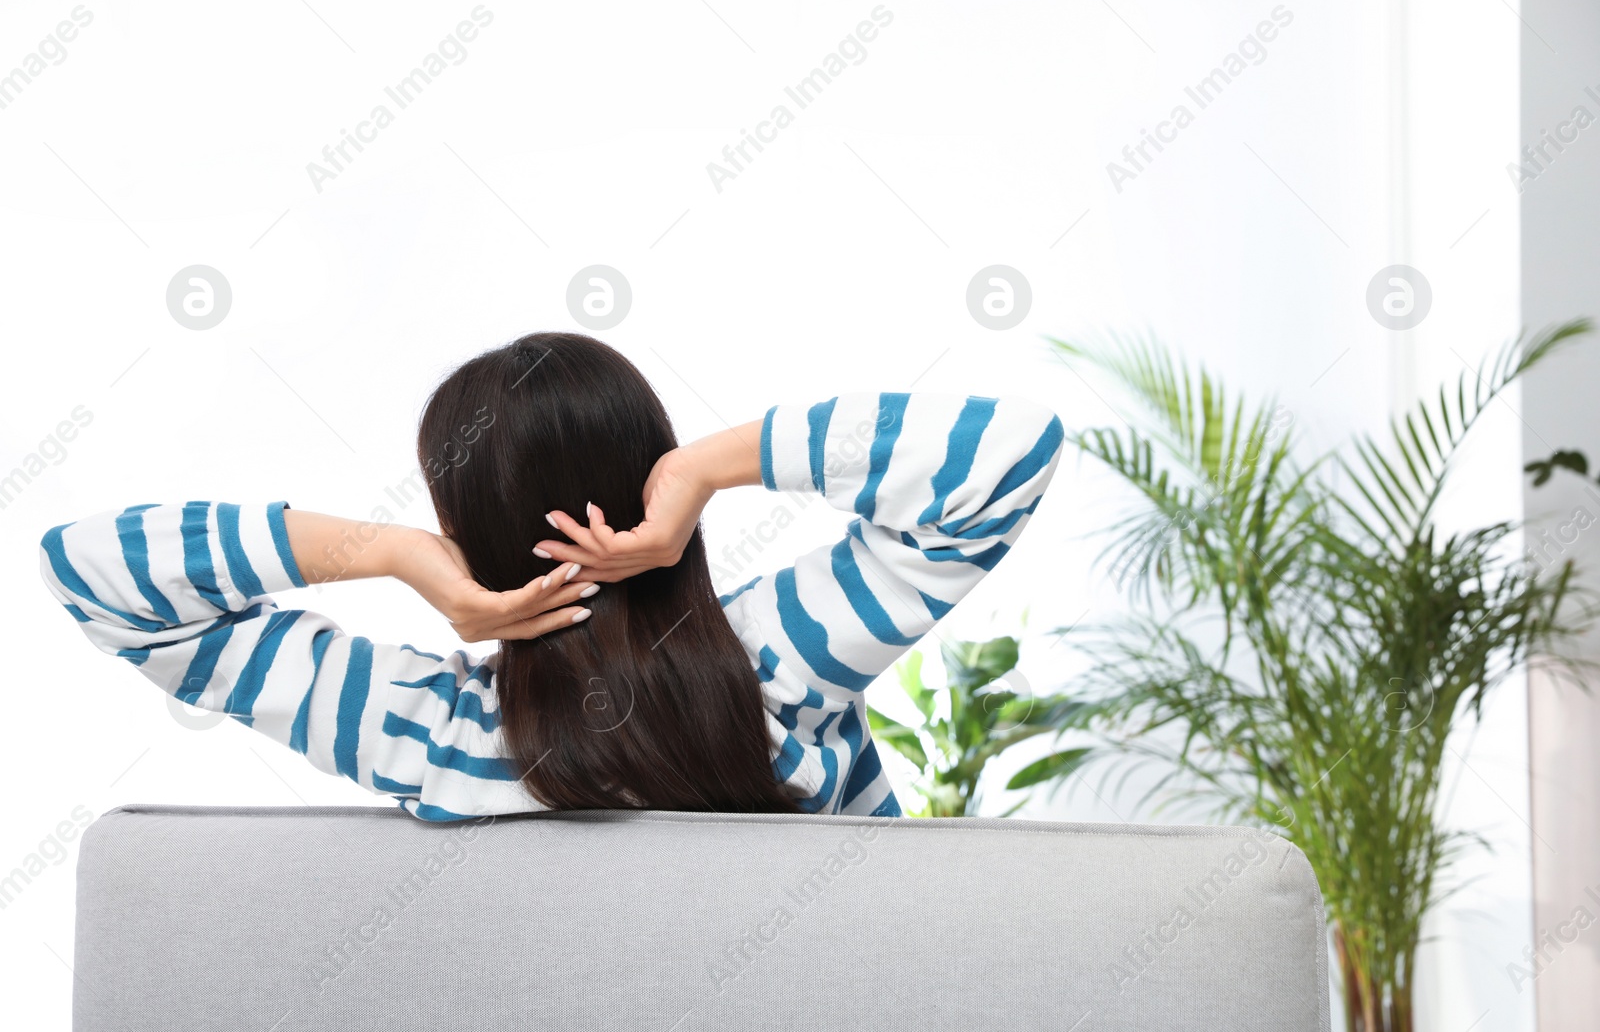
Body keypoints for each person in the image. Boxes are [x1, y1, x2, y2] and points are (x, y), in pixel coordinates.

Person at [41, 333, 1063, 820]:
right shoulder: (783, 664)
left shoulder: (421, 729)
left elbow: (95, 573)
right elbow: (1003, 457)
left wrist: (394, 555)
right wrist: (704, 469)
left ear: (460, 529)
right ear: (646, 482)